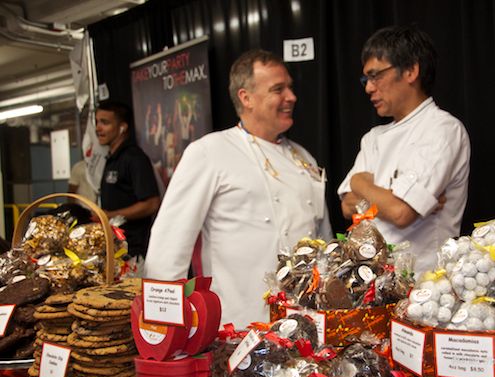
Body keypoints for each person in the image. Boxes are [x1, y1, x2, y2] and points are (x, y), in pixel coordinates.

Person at [145, 49, 332, 327]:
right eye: (278, 89)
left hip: (304, 324)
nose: (291, 97)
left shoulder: (304, 158)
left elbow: (323, 239)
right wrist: (163, 327)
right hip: (237, 327)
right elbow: (170, 244)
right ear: (246, 97)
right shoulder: (209, 152)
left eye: (290, 87)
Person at [338, 25, 471, 276]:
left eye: (376, 75)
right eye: (366, 79)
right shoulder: (373, 138)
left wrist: (360, 183)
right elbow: (346, 206)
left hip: (424, 283)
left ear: (411, 70)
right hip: (372, 283)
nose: (368, 88)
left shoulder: (441, 128)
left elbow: (401, 213)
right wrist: (387, 198)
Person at [95, 100, 161, 260]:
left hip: (135, 250)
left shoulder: (134, 158)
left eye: (105, 122)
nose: (98, 128)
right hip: (116, 246)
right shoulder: (112, 158)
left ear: (122, 127)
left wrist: (110, 215)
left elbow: (151, 204)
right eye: (97, 122)